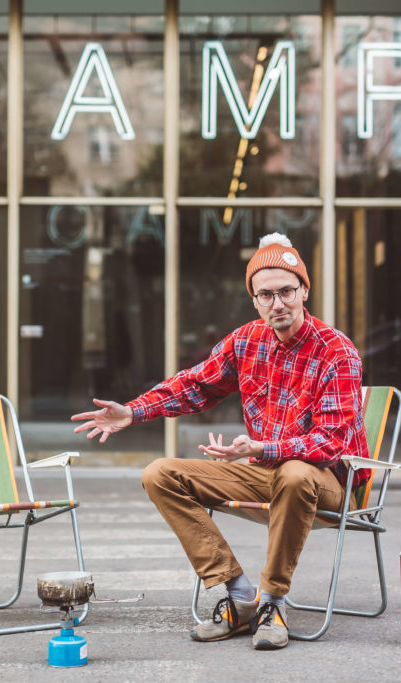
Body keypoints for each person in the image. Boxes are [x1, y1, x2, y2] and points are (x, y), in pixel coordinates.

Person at [70, 233, 368, 650]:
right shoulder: (247, 340)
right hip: (266, 475)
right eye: (266, 295)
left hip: (326, 485)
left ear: (305, 290)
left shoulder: (336, 351)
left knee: (296, 473)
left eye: (286, 291)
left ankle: (273, 602)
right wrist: (133, 411)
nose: (278, 303)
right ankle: (241, 595)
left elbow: (330, 441)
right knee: (160, 474)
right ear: (254, 300)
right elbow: (195, 385)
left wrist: (261, 448)